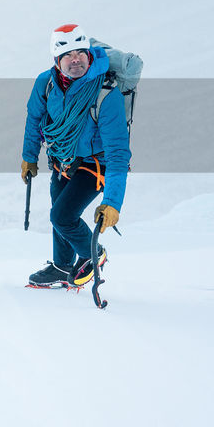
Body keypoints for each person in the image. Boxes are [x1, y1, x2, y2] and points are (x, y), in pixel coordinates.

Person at [20, 23, 131, 288]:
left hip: (95, 164)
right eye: (68, 55)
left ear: (89, 53)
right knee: (60, 214)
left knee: (61, 216)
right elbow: (35, 119)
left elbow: (118, 152)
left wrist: (112, 202)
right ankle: (62, 266)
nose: (76, 59)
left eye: (80, 52)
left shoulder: (105, 92)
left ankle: (94, 254)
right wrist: (29, 156)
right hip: (62, 159)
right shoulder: (45, 83)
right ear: (56, 61)